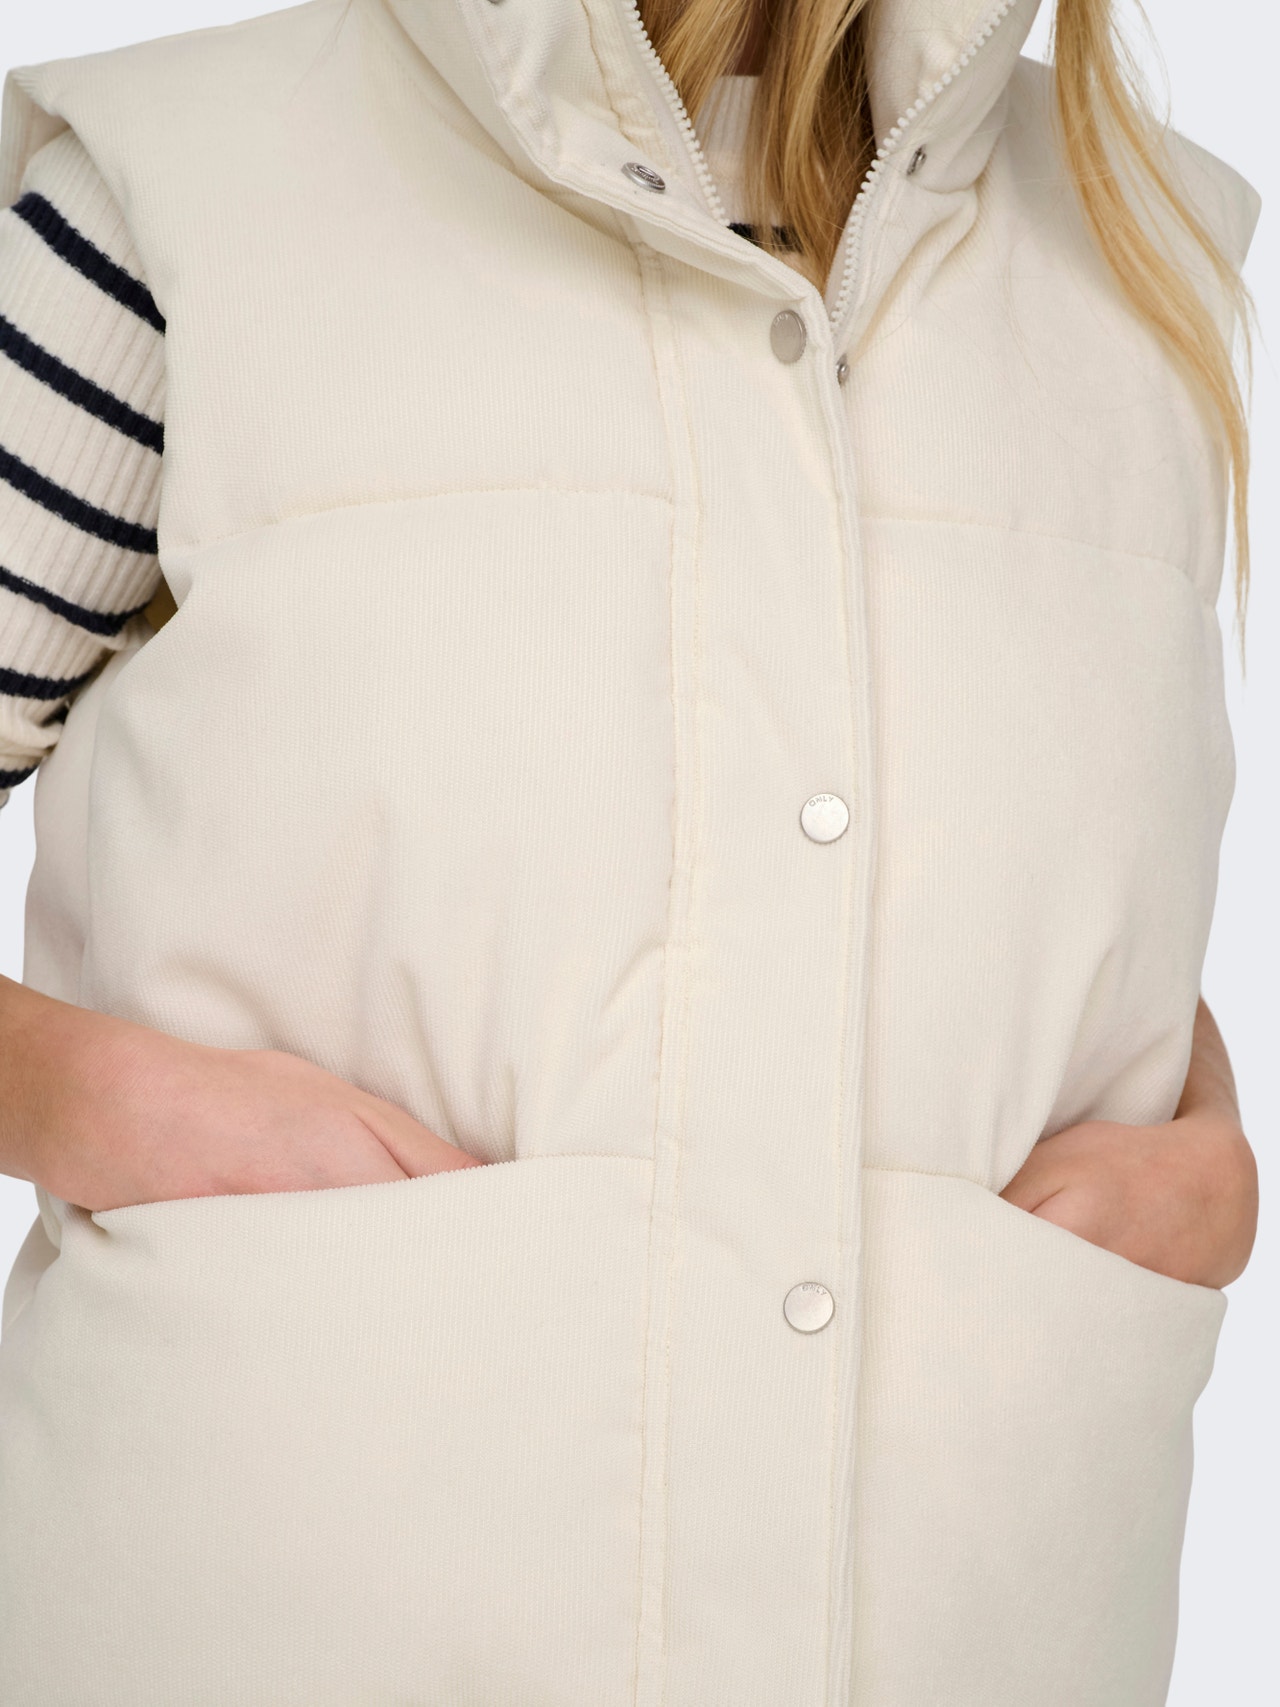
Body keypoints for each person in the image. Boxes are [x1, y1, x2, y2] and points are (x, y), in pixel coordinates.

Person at [0, 0, 1262, 1702]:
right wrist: (90, 1099)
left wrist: (1207, 1152)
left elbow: (1020, 894)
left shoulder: (1145, 248)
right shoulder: (189, 201)